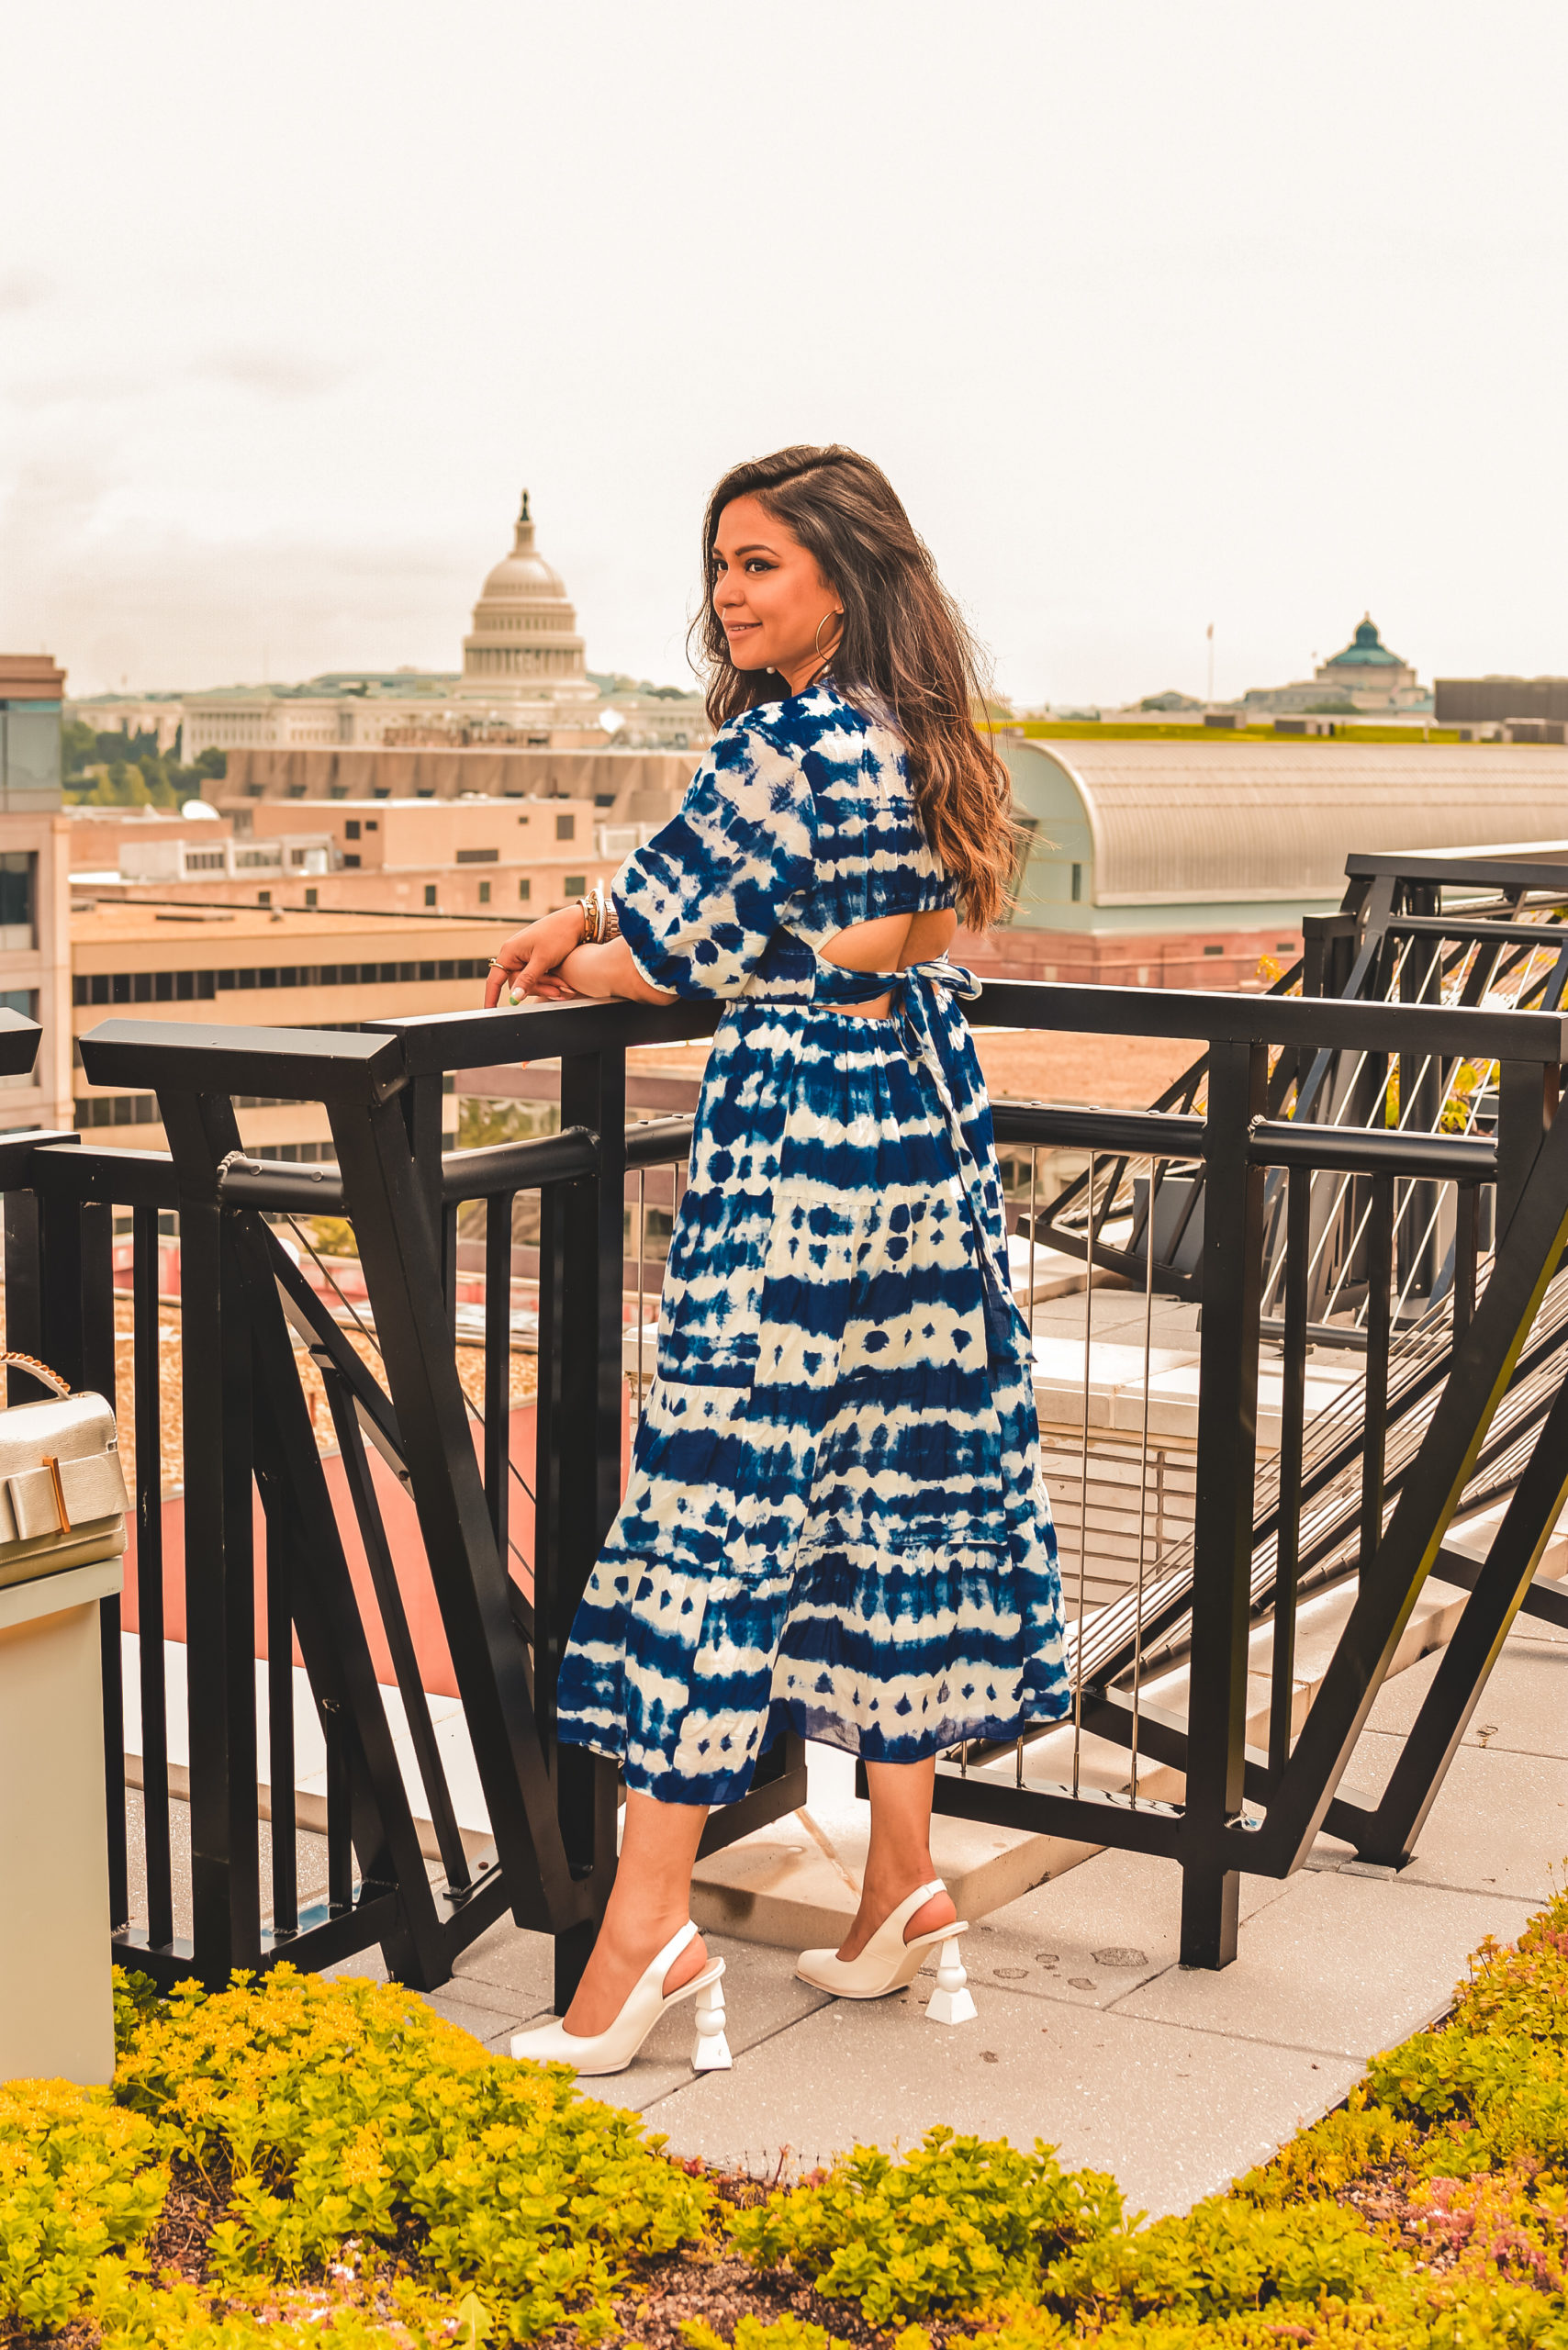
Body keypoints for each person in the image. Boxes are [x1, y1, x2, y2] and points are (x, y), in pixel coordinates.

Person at [490, 445, 1070, 2076]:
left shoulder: (786, 743)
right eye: (723, 566)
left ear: (841, 576)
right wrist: (720, 934)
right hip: (925, 1146)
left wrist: (575, 944)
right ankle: (899, 1889)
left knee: (714, 1515)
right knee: (901, 1491)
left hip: (803, 1154)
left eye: (760, 566)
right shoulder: (928, 736)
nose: (730, 596)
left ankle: (643, 1935)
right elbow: (895, 925)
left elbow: (668, 946)